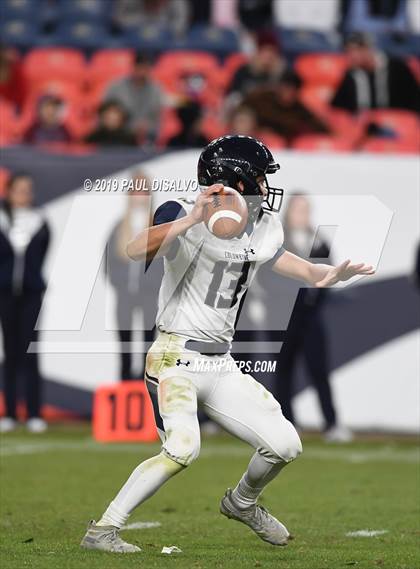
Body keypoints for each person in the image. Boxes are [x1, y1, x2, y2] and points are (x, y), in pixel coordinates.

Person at [80, 135, 374, 553]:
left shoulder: (263, 225)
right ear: (232, 178)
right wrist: (191, 220)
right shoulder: (181, 211)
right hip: (174, 356)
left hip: (220, 364)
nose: (263, 184)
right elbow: (133, 250)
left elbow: (281, 260)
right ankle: (104, 529)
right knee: (183, 448)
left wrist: (321, 273)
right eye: (257, 176)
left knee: (285, 444)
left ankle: (242, 503)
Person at [273, 194, 352, 442]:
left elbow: (329, 277)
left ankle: (331, 423)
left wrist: (313, 301)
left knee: (319, 370)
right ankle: (287, 423)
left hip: (311, 318)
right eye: (298, 209)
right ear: (289, 212)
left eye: (306, 209)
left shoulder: (319, 243)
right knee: (283, 371)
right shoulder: (278, 241)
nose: (302, 214)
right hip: (284, 319)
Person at [0, 173, 50, 434]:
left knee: (30, 351)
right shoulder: (2, 218)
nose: (24, 194)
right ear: (9, 191)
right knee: (10, 353)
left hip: (31, 294)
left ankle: (33, 413)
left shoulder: (40, 220)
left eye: (28, 190)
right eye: (19, 189)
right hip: (6, 293)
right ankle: (8, 412)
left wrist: (30, 280)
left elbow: (41, 255)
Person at [106, 172, 160, 380]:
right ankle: (125, 386)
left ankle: (145, 391)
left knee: (149, 347)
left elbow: (166, 260)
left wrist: (153, 284)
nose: (140, 195)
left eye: (143, 190)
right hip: (125, 296)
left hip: (149, 296)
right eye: (135, 190)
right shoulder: (120, 228)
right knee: (125, 347)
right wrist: (119, 283)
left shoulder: (157, 225)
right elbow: (110, 261)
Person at [331, 33, 420, 113]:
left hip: (396, 124)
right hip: (362, 127)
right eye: (348, 51)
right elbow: (338, 108)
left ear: (368, 49)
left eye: (356, 50)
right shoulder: (351, 76)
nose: (351, 56)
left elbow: (414, 100)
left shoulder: (398, 68)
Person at [242, 71, 330, 142]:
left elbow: (321, 128)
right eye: (286, 88)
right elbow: (241, 110)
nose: (288, 93)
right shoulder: (261, 99)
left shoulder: (299, 110)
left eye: (293, 90)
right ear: (279, 87)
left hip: (283, 149)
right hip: (255, 139)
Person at [104, 52, 163, 144]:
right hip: (118, 133)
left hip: (146, 136)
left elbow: (157, 118)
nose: (142, 72)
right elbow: (105, 112)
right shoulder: (116, 86)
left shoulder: (156, 89)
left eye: (145, 68)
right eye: (139, 67)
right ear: (134, 67)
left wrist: (147, 127)